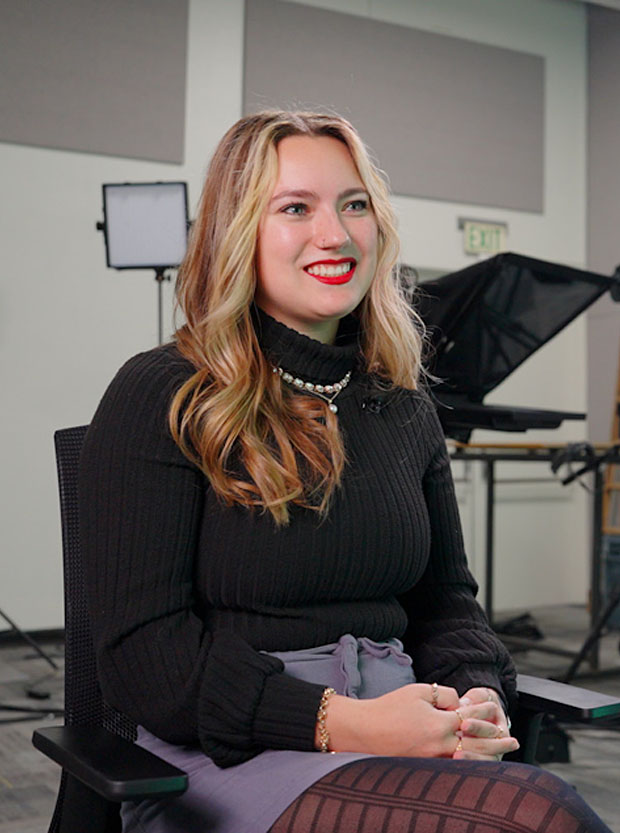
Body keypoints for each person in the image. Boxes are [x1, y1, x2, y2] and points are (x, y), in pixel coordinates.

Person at [79, 111, 611, 833]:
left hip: (400, 732)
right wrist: (347, 723)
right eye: (295, 208)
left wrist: (475, 693)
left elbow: (447, 605)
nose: (335, 234)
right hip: (229, 754)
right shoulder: (164, 393)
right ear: (237, 232)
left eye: (354, 204)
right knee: (538, 817)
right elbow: (148, 661)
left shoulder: (403, 408)